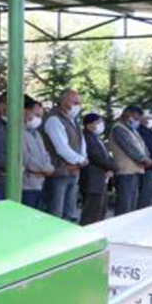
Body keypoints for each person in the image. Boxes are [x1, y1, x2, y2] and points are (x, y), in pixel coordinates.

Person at [42, 90, 89, 221]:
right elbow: (61, 148)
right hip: (59, 173)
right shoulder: (54, 119)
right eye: (75, 102)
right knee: (55, 214)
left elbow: (81, 141)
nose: (78, 106)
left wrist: (83, 158)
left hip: (73, 172)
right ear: (63, 102)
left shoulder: (72, 120)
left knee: (70, 212)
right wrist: (80, 160)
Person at [110, 106, 152, 215]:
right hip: (125, 172)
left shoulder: (132, 130)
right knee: (125, 205)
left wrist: (147, 158)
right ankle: (119, 230)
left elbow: (142, 147)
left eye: (138, 118)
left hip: (135, 170)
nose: (136, 121)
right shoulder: (119, 128)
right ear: (127, 115)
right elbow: (130, 148)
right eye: (135, 118)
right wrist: (145, 160)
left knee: (131, 206)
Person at [80, 114, 116, 225]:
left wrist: (111, 168)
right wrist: (114, 167)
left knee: (100, 212)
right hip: (92, 180)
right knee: (91, 214)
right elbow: (96, 156)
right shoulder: (86, 137)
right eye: (98, 122)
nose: (101, 125)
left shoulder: (95, 137)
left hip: (101, 179)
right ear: (89, 125)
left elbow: (106, 156)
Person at [22, 96, 54, 209]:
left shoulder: (37, 134)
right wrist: (44, 169)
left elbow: (46, 154)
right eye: (36, 115)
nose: (39, 119)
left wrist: (48, 168)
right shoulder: (18, 133)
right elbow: (25, 158)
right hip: (25, 185)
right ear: (25, 112)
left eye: (41, 116)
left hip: (39, 184)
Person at [139, 115, 152, 208]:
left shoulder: (150, 132)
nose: (151, 120)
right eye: (148, 118)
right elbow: (151, 149)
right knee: (147, 197)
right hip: (149, 168)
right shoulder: (141, 132)